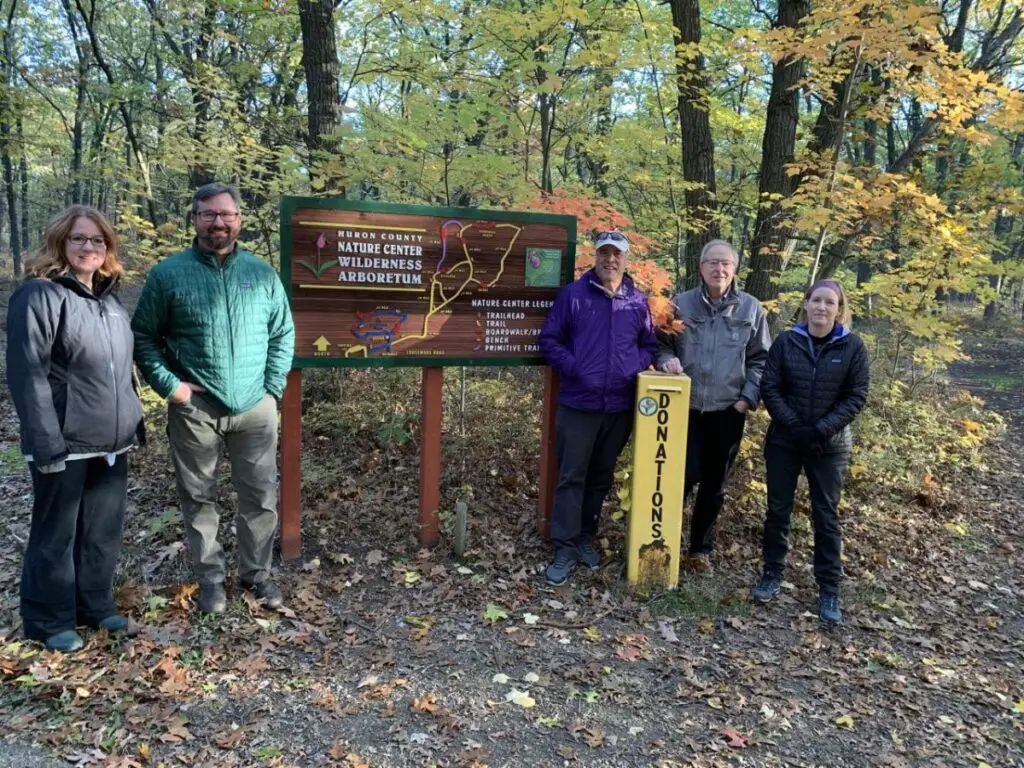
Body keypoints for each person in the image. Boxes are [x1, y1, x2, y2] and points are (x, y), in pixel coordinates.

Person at [132, 183, 295, 614]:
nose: (218, 222)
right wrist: (172, 386)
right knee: (198, 495)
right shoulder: (168, 274)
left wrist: (272, 386)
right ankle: (210, 580)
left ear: (239, 219)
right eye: (209, 214)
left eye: (227, 214)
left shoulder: (261, 274)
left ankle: (256, 574)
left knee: (260, 495)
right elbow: (144, 337)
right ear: (195, 219)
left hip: (255, 407)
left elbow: (282, 333)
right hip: (195, 408)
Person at [6, 205, 144, 652]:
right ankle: (49, 620)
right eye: (79, 238)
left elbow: (120, 370)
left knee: (101, 531)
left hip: (111, 440)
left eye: (98, 240)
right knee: (56, 534)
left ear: (108, 249)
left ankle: (95, 606)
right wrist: (45, 443)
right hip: (63, 442)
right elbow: (28, 375)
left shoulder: (109, 301)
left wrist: (134, 420)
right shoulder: (39, 296)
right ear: (60, 242)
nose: (89, 247)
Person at [539, 230, 659, 586]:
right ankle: (563, 548)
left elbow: (650, 344)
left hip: (619, 408)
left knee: (600, 478)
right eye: (604, 253)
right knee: (571, 477)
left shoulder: (637, 302)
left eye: (616, 254)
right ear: (595, 257)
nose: (610, 260)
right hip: (579, 404)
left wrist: (632, 366)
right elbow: (549, 340)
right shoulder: (574, 295)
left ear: (626, 259)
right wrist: (575, 369)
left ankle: (584, 540)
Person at [751, 280, 869, 625]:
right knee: (777, 510)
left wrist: (819, 430)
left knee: (826, 515)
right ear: (806, 304)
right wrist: (796, 428)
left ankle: (829, 587)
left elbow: (856, 396)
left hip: (829, 446)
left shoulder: (852, 347)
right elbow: (770, 387)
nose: (821, 307)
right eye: (816, 300)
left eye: (829, 302)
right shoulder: (787, 342)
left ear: (839, 308)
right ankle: (772, 573)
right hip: (785, 441)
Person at [656, 240, 770, 565]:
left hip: (728, 411)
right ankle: (664, 545)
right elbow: (658, 344)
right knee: (682, 477)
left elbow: (762, 359)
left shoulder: (751, 309)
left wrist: (747, 399)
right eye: (712, 263)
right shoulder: (680, 305)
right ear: (701, 267)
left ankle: (699, 550)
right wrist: (665, 360)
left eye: (725, 264)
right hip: (684, 409)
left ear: (734, 269)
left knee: (715, 485)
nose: (718, 269)